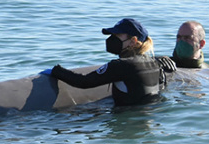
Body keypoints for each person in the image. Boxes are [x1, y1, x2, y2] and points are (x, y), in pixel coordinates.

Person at [48, 18, 176, 107]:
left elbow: (84, 82)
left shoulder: (121, 65)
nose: (111, 40)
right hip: (151, 117)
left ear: (133, 41)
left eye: (117, 36)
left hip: (126, 123)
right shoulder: (155, 63)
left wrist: (56, 71)